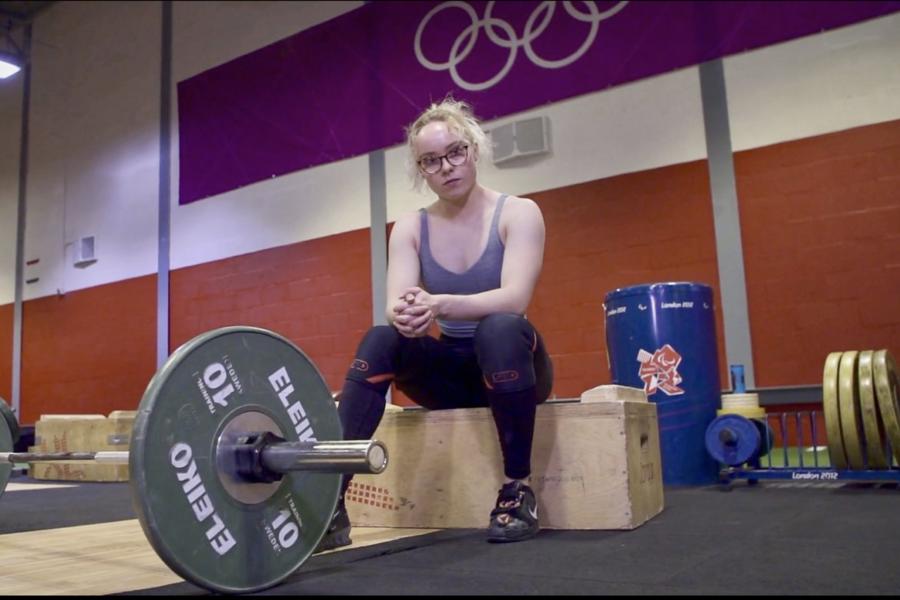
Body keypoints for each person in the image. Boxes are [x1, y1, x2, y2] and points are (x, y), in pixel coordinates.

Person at [315, 97, 554, 551]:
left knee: (499, 327)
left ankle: (517, 490)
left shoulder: (520, 213)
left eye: (454, 152)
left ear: (474, 149)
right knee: (382, 337)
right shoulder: (409, 227)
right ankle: (331, 501)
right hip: (452, 378)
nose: (446, 167)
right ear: (420, 170)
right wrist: (406, 312)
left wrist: (438, 303)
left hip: (513, 367)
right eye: (430, 161)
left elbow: (514, 298)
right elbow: (397, 305)